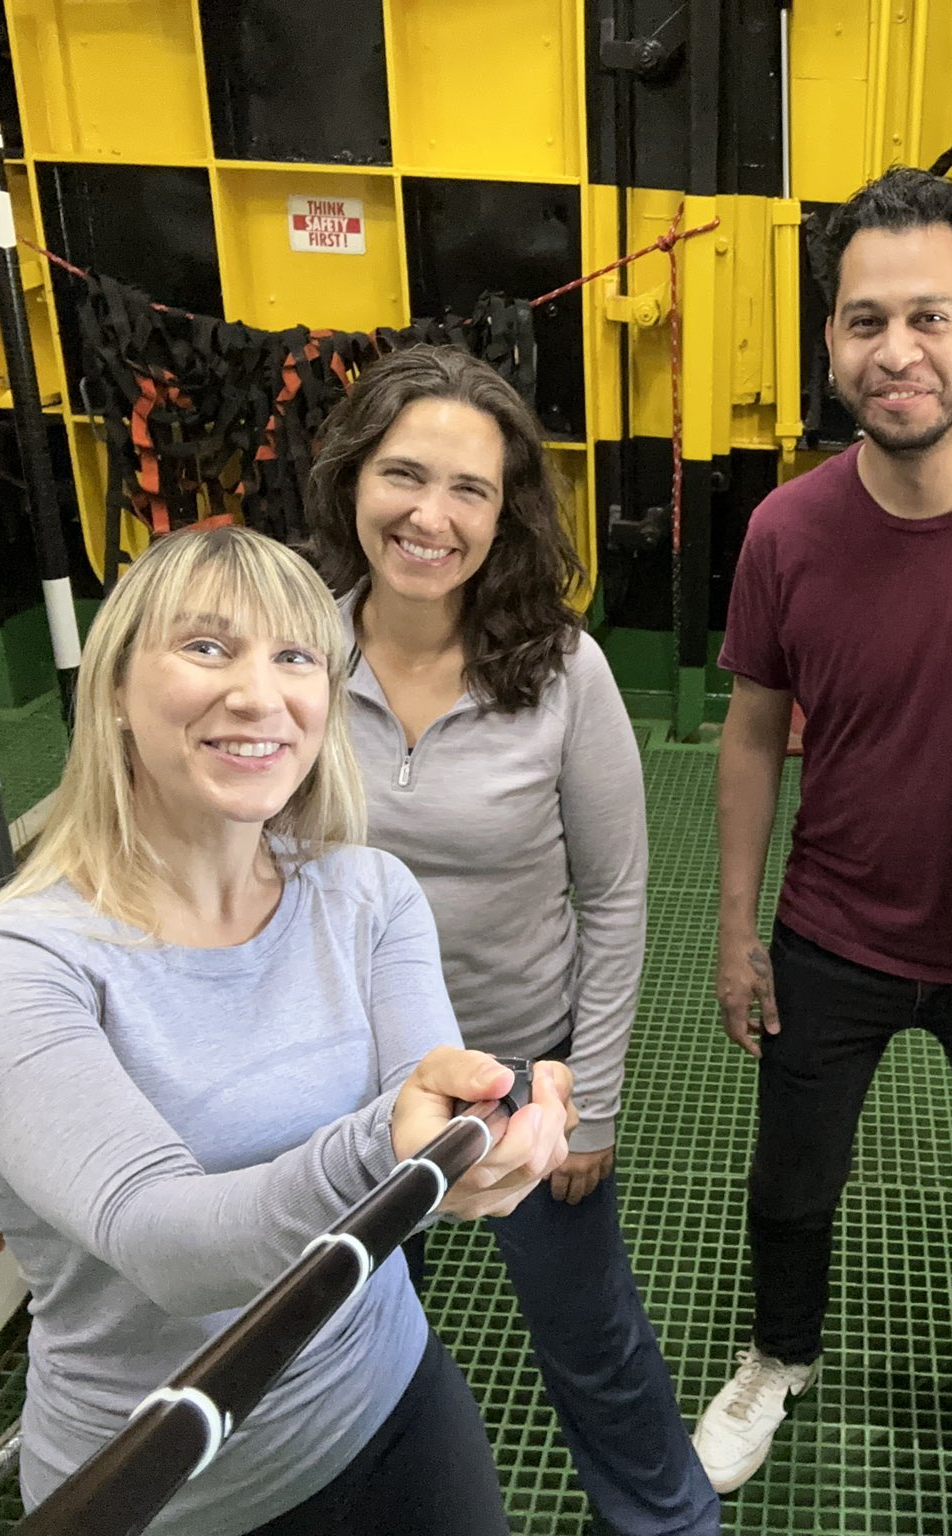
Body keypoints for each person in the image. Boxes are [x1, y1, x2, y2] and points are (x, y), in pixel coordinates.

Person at [0, 524, 574, 1536]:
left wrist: (484, 1128)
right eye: (208, 648)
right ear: (118, 691)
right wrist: (395, 1154)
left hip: (395, 1408)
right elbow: (163, 1241)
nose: (259, 695)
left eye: (295, 656)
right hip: (173, 1496)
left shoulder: (366, 894)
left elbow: (423, 1094)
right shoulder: (5, 971)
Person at [692, 165, 952, 1493]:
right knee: (791, 1183)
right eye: (864, 321)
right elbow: (750, 737)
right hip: (834, 932)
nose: (894, 350)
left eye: (927, 316)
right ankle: (776, 1361)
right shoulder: (786, 532)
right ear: (831, 343)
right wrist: (737, 932)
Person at [303, 345, 720, 1536]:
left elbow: (618, 893)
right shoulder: (299, 656)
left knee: (591, 1344)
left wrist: (586, 1105)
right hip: (354, 1088)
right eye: (403, 475)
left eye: (469, 490)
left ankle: (667, 1524)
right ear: (352, 482)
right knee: (360, 1342)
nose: (430, 516)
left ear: (507, 514)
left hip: (516, 1077)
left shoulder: (563, 672)